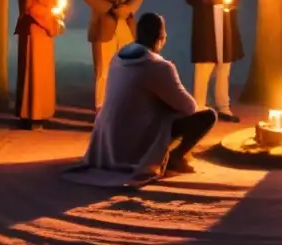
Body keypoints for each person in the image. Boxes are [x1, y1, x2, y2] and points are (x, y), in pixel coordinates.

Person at [63, 13, 218, 187]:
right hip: (136, 140)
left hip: (107, 141)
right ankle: (175, 158)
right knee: (208, 116)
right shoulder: (159, 66)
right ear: (161, 38)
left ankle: (169, 155)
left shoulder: (117, 58)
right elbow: (189, 107)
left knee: (163, 106)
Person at [82, 0, 145, 112]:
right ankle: (101, 108)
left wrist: (129, 9)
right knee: (103, 69)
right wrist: (110, 9)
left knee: (129, 67)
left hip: (127, 23)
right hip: (104, 24)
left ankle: (127, 108)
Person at [184, 0, 243, 122]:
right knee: (205, 65)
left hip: (226, 21)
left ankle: (223, 106)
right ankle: (199, 107)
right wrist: (214, 2)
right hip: (206, 23)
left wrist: (231, 2)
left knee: (225, 65)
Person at [14, 0, 63, 130]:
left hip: (41, 29)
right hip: (34, 29)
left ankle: (39, 112)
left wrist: (56, 11)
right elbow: (31, 7)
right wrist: (50, 20)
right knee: (32, 71)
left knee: (40, 71)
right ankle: (31, 114)